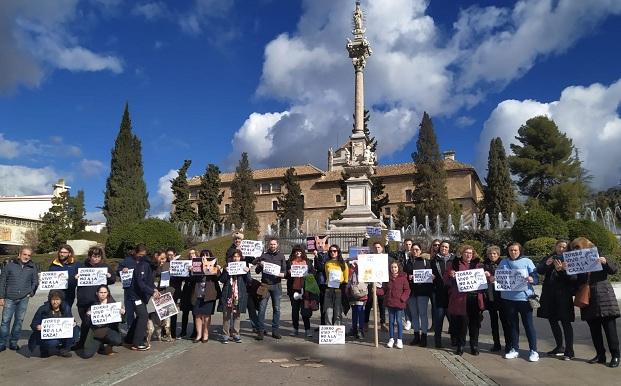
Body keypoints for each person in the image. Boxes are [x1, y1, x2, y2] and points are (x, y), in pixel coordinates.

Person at [573, 237, 620, 368]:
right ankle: (600, 355)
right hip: (588, 299)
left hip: (604, 296)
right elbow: (574, 280)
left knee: (610, 330)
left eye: (579, 248)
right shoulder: (577, 260)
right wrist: (565, 270)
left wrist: (605, 262)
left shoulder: (600, 255)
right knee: (594, 330)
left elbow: (614, 270)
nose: (577, 251)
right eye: (575, 249)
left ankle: (615, 355)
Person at [497, 242, 539, 362]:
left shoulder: (527, 261)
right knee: (512, 325)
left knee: (528, 325)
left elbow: (535, 277)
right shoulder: (503, 262)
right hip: (508, 299)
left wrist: (532, 279)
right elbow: (499, 277)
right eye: (511, 250)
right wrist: (494, 278)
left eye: (515, 250)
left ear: (520, 250)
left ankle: (533, 350)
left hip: (524, 298)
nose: (513, 252)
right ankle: (514, 349)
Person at [536, 240, 577, 360]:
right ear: (555, 247)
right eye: (559, 246)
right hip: (549, 294)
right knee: (552, 320)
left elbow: (574, 278)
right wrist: (546, 265)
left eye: (564, 247)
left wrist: (562, 271)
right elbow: (539, 270)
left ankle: (570, 351)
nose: (561, 249)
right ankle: (560, 346)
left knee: (566, 322)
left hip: (563, 295)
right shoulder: (549, 257)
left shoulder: (570, 259)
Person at [445, 245, 486, 356]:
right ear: (461, 254)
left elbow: (487, 280)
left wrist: (487, 275)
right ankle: (460, 345)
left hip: (475, 298)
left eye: (470, 253)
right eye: (466, 252)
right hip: (460, 299)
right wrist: (450, 275)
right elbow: (446, 281)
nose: (468, 255)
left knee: (475, 324)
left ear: (473, 254)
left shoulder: (478, 265)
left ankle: (474, 345)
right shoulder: (454, 264)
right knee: (462, 324)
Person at [75, 246, 116, 350]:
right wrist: (75, 278)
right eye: (94, 256)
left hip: (96, 301)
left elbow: (113, 280)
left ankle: (97, 343)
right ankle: (82, 343)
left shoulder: (104, 266)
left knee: (96, 324)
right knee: (85, 323)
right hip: (83, 300)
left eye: (98, 256)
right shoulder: (82, 266)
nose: (96, 258)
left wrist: (109, 276)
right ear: (89, 256)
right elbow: (73, 281)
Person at [0, 247, 38, 352]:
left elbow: (35, 281)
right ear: (19, 254)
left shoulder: (32, 267)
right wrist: (1, 297)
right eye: (25, 254)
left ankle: (13, 343)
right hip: (9, 298)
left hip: (23, 299)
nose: (26, 257)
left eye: (29, 255)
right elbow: (2, 282)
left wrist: (31, 292)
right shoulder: (9, 266)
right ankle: (2, 343)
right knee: (5, 321)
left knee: (19, 321)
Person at [124, 244, 160, 351]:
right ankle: (137, 342)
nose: (163, 261)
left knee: (140, 317)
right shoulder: (143, 265)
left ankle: (130, 338)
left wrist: (154, 289)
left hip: (140, 296)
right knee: (143, 316)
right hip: (136, 296)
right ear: (156, 255)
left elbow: (149, 281)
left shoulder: (149, 265)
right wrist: (151, 291)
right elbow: (141, 283)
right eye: (162, 258)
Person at [253, 238, 286, 340]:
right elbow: (257, 271)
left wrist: (279, 274)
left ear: (277, 245)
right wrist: (260, 264)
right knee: (262, 308)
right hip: (265, 285)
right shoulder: (264, 256)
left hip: (276, 285)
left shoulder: (281, 256)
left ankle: (275, 331)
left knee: (276, 309)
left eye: (274, 244)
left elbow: (284, 272)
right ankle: (260, 331)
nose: (272, 246)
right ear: (268, 245)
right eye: (271, 244)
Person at [29, 290, 78, 358]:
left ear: (61, 300)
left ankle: (64, 349)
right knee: (52, 343)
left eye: (57, 299)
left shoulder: (66, 308)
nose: (55, 302)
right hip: (47, 336)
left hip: (61, 333)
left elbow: (71, 319)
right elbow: (33, 324)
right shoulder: (43, 309)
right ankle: (44, 349)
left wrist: (74, 323)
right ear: (50, 300)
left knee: (76, 330)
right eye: (53, 300)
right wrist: (37, 327)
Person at [82, 285, 125, 358]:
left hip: (109, 330)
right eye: (101, 292)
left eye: (105, 292)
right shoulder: (93, 306)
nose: (103, 294)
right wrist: (88, 316)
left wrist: (123, 313)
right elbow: (87, 324)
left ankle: (109, 345)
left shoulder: (113, 305)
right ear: (97, 293)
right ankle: (99, 344)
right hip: (96, 332)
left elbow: (122, 321)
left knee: (117, 340)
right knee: (87, 354)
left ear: (108, 293)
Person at [482, 245, 511, 353]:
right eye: (490, 253)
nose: (492, 255)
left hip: (503, 297)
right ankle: (496, 343)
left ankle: (509, 344)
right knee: (493, 323)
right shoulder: (484, 264)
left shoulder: (504, 263)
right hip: (491, 296)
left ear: (498, 254)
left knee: (505, 321)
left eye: (494, 253)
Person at [219, 249, 251, 343]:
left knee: (237, 314)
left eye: (237, 256)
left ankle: (236, 334)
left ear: (240, 257)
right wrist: (225, 272)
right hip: (228, 293)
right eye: (234, 256)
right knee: (226, 314)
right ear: (231, 258)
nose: (236, 258)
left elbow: (249, 281)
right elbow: (222, 280)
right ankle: (225, 335)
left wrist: (247, 272)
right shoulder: (227, 266)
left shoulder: (244, 266)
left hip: (239, 293)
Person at [192, 249, 222, 343]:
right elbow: (191, 279)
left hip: (209, 294)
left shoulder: (213, 266)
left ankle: (205, 333)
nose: (205, 257)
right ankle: (198, 334)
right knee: (197, 315)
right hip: (197, 293)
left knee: (206, 315)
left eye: (207, 255)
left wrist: (217, 270)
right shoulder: (197, 266)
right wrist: (191, 271)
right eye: (203, 255)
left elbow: (218, 277)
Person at [407, 243, 433, 347]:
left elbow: (431, 274)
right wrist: (408, 277)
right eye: (413, 250)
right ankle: (416, 335)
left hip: (423, 291)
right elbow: (404, 274)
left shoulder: (425, 261)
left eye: (417, 250)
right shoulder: (408, 262)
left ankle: (424, 337)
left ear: (420, 250)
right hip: (412, 292)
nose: (415, 251)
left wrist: (432, 276)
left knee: (423, 314)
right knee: (414, 315)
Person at [286, 246, 315, 337]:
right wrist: (288, 272)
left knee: (305, 311)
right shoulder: (289, 262)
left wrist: (309, 274)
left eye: (300, 251)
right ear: (293, 253)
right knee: (295, 311)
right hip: (294, 290)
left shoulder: (308, 262)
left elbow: (314, 272)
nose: (298, 253)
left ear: (302, 252)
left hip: (305, 290)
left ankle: (307, 329)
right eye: (296, 251)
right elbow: (285, 275)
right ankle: (295, 329)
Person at [386, 238, 414, 331]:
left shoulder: (414, 254)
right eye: (406, 244)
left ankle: (411, 320)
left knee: (410, 302)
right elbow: (389, 253)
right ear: (404, 245)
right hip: (401, 279)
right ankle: (407, 320)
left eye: (410, 244)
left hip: (412, 280)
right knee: (404, 302)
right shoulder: (400, 254)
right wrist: (386, 243)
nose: (408, 246)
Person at [431, 240, 454, 348]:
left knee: (452, 318)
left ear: (449, 248)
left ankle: (454, 339)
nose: (444, 248)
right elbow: (429, 272)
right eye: (442, 247)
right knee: (438, 319)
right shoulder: (434, 260)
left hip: (451, 293)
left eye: (446, 247)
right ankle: (437, 341)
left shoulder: (454, 260)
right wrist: (430, 277)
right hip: (438, 293)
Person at [385, 260, 410, 349]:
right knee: (391, 322)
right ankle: (391, 339)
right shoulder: (388, 278)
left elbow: (407, 290)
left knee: (399, 321)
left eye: (395, 267)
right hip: (390, 303)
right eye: (392, 267)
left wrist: (402, 298)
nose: (393, 269)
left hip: (399, 303)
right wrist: (376, 291)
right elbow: (384, 289)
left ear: (398, 268)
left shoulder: (403, 278)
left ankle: (399, 340)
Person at [364, 241, 387, 331]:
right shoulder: (370, 257)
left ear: (382, 248)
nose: (377, 249)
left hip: (381, 285)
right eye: (375, 247)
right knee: (369, 304)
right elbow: (363, 251)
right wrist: (366, 240)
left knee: (382, 305)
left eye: (378, 247)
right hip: (371, 284)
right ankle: (366, 323)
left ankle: (383, 323)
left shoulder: (385, 258)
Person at [117, 246, 138, 328]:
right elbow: (118, 271)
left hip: (139, 290)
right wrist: (122, 270)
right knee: (129, 311)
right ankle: (131, 329)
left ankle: (139, 329)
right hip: (128, 289)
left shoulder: (143, 260)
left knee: (140, 312)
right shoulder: (127, 260)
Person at [347, 258, 368, 340]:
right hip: (352, 293)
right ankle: (354, 329)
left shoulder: (363, 270)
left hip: (361, 293)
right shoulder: (351, 270)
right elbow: (349, 280)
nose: (354, 264)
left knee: (360, 312)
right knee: (354, 312)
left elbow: (366, 280)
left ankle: (361, 330)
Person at [178, 249, 196, 339]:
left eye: (193, 253)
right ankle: (183, 331)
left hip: (195, 289)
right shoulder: (186, 264)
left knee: (194, 312)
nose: (191, 255)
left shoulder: (199, 264)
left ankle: (195, 332)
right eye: (190, 254)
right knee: (185, 312)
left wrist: (192, 271)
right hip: (186, 289)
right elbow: (181, 276)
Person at [313, 245, 330, 326]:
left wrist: (317, 257)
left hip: (328, 282)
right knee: (322, 304)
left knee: (329, 305)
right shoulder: (318, 254)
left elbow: (321, 267)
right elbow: (316, 267)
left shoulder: (330, 255)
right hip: (320, 282)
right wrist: (316, 257)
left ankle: (328, 324)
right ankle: (323, 324)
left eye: (323, 244)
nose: (321, 246)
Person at [428, 239, 441, 331]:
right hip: (432, 286)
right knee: (434, 306)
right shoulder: (428, 258)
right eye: (434, 245)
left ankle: (452, 327)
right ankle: (434, 325)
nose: (436, 246)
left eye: (438, 245)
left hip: (442, 285)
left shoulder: (444, 257)